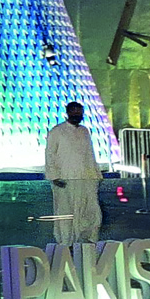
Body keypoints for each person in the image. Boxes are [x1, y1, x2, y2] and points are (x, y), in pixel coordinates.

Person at [45, 101, 102, 244]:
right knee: (65, 213)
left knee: (91, 211)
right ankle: (65, 243)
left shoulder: (84, 131)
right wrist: (54, 177)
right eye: (74, 112)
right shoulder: (57, 131)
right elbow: (50, 154)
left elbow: (90, 154)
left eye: (79, 112)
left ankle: (88, 239)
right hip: (65, 179)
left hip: (86, 178)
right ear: (68, 112)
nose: (77, 115)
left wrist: (96, 175)